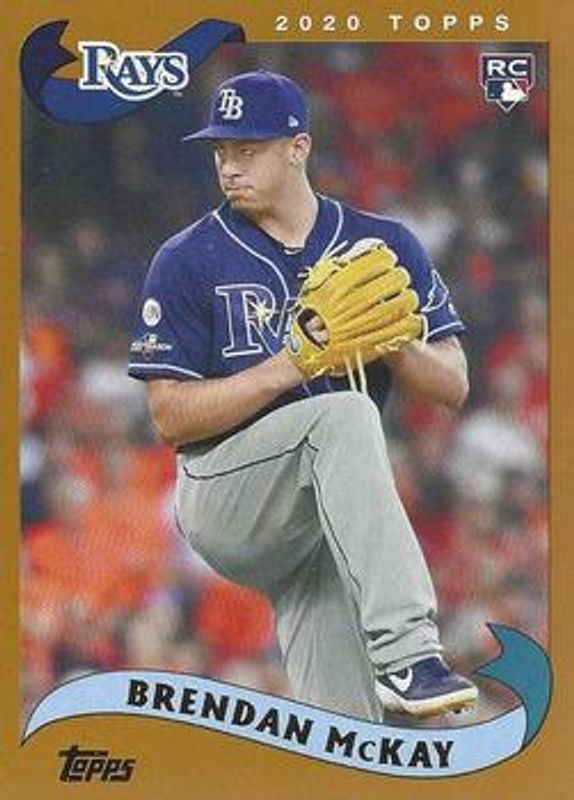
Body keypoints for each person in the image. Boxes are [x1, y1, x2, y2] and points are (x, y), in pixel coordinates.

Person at [128, 69, 478, 721]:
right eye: (220, 151)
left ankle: (367, 739)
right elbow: (168, 416)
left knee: (349, 732)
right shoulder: (187, 258)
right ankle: (410, 651)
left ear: (298, 148)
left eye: (247, 148)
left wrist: (392, 339)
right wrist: (288, 366)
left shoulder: (383, 244)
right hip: (227, 495)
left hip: (321, 516)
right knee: (343, 415)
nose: (229, 167)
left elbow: (453, 385)